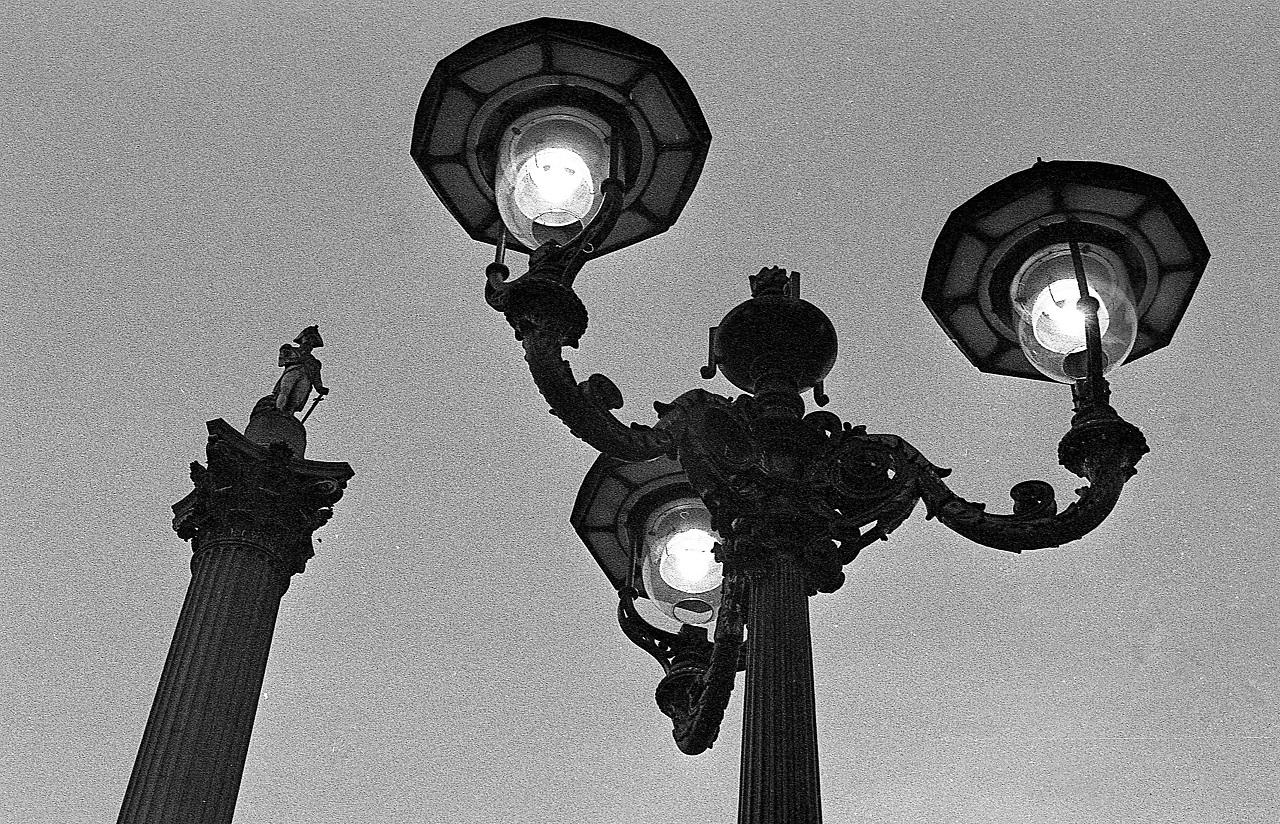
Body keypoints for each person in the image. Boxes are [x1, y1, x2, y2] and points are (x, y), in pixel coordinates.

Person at [273, 326, 329, 414]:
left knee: (296, 399)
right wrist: (299, 360)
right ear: (302, 339)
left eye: (312, 341)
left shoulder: (314, 362)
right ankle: (278, 410)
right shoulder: (290, 350)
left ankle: (288, 415)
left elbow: (316, 378)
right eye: (307, 339)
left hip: (306, 378)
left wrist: (320, 388)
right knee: (285, 392)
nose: (309, 342)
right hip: (292, 371)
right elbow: (282, 362)